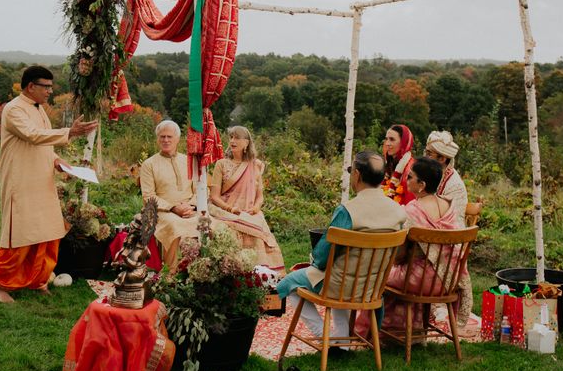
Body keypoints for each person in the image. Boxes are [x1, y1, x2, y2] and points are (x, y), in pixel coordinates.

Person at [277, 150, 407, 349]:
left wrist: (315, 259)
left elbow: (322, 256)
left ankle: (327, 337)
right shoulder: (397, 211)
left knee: (289, 283)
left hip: (339, 285)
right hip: (371, 288)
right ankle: (342, 342)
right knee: (340, 271)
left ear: (357, 175)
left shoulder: (348, 211)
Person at [0, 65, 98, 304]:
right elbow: (32, 135)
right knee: (20, 235)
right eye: (46, 86)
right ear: (31, 86)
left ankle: (36, 280)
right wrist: (69, 132)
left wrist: (57, 161)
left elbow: (43, 145)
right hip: (21, 182)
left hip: (43, 181)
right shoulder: (14, 110)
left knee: (48, 234)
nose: (50, 91)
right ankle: (2, 287)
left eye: (51, 86)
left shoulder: (39, 110)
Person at [353, 157, 465, 337]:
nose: (406, 179)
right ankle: (411, 330)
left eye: (411, 177)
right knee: (408, 268)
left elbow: (399, 255)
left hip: (421, 282)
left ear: (421, 185)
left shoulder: (413, 211)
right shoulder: (449, 206)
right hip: (448, 279)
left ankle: (362, 332)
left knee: (375, 276)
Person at [139, 120, 222, 268]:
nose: (166, 140)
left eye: (169, 137)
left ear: (177, 139)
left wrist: (190, 205)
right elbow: (148, 196)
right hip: (162, 211)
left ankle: (208, 269)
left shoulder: (189, 161)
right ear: (157, 139)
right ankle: (172, 273)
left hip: (190, 208)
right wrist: (173, 207)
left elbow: (202, 189)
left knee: (213, 224)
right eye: (162, 137)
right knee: (174, 226)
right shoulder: (149, 164)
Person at [208, 125, 285, 272]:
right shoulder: (221, 164)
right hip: (225, 211)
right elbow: (214, 197)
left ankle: (260, 276)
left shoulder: (254, 165)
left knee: (257, 231)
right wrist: (230, 208)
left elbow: (260, 196)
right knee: (230, 233)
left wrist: (256, 208)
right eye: (231, 137)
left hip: (250, 211)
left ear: (247, 143)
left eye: (237, 137)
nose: (232, 141)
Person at [424, 130, 473, 326]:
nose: (424, 156)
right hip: (430, 234)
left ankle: (433, 303)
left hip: (449, 240)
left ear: (442, 158)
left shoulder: (454, 184)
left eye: (429, 154)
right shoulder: (431, 175)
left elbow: (449, 221)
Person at [381, 124, 416, 205]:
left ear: (403, 142)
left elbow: (411, 203)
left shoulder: (411, 169)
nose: (387, 143)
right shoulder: (389, 164)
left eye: (392, 139)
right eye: (386, 139)